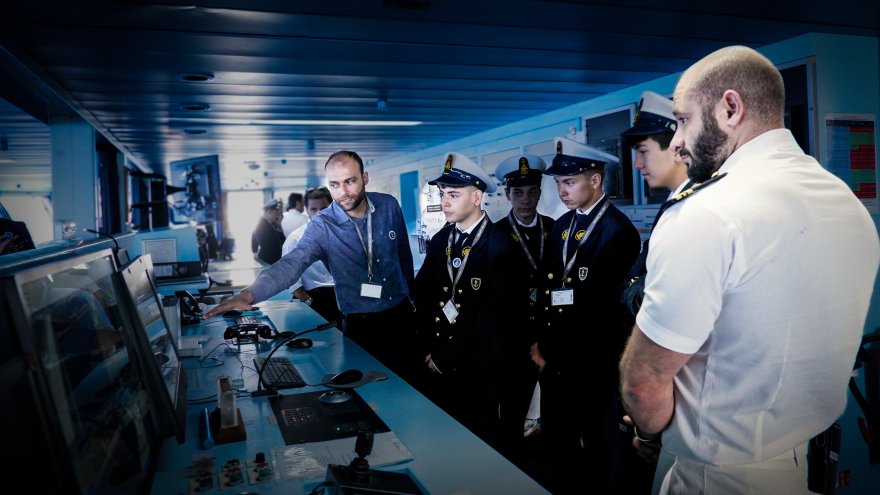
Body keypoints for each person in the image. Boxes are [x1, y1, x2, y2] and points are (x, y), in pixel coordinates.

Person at [619, 45, 880, 495]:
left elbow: (643, 383)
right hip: (799, 462)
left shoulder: (707, 213)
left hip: (713, 474)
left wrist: (647, 434)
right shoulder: (845, 201)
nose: (676, 142)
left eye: (683, 120)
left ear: (730, 108)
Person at [206, 151, 418, 382]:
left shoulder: (388, 205)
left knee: (411, 382)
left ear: (365, 178)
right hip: (363, 325)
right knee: (370, 390)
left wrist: (413, 299)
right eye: (334, 185)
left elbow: (403, 255)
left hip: (402, 316)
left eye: (350, 181)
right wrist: (248, 294)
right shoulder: (323, 226)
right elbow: (291, 264)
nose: (343, 192)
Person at [532, 137, 640, 493]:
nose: (562, 191)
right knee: (558, 444)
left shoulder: (618, 231)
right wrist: (541, 343)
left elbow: (599, 307)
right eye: (558, 183)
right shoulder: (562, 226)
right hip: (556, 360)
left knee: (601, 448)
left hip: (594, 362)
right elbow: (547, 290)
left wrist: (553, 349)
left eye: (570, 182)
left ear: (595, 180)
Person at [413, 152, 524, 448]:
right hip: (437, 361)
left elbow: (491, 320)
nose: (444, 202)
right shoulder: (442, 240)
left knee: (480, 444)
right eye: (442, 194)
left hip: (477, 369)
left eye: (453, 195)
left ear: (476, 198)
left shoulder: (500, 247)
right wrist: (429, 351)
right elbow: (424, 295)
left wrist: (445, 358)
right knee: (442, 443)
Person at [492, 154, 555, 461]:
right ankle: (510, 465)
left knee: (554, 410)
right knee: (512, 411)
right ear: (507, 195)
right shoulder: (495, 235)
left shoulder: (554, 230)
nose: (525, 199)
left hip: (548, 332)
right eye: (518, 193)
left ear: (540, 193)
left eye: (531, 192)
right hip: (512, 338)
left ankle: (548, 467)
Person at [621, 90, 692, 319]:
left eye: (643, 152)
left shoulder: (694, 210)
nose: (637, 164)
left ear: (676, 148)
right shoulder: (673, 203)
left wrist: (631, 292)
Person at [281, 186, 342, 326]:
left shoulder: (344, 235)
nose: (319, 213)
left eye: (323, 208)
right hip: (314, 300)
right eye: (314, 209)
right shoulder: (296, 239)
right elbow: (291, 282)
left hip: (343, 299)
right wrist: (310, 303)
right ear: (306, 210)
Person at [251, 199, 286, 265]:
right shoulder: (263, 225)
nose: (277, 215)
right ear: (269, 212)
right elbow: (271, 245)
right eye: (276, 213)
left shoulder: (270, 223)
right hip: (268, 260)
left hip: (270, 260)